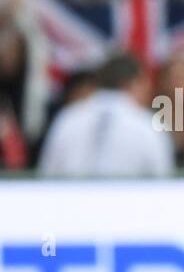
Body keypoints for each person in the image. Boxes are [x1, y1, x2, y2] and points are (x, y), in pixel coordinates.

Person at [37, 53, 173, 178]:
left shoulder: (68, 118)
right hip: (128, 196)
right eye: (145, 84)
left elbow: (47, 175)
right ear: (133, 84)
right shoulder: (148, 124)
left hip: (72, 195)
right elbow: (162, 183)